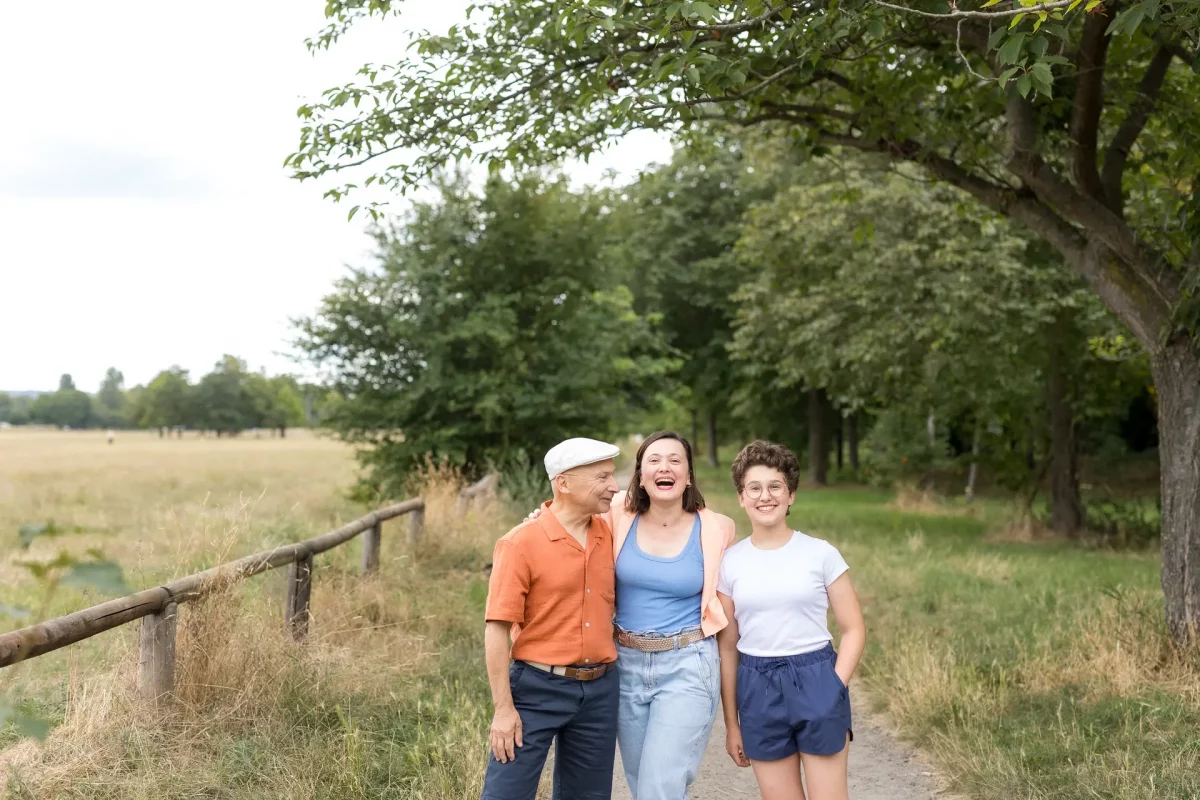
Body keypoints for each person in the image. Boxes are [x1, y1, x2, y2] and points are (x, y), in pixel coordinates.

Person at [528, 430, 737, 799]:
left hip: (688, 663)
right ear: (640, 475)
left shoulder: (717, 528)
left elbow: (728, 610)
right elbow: (564, 517)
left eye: (675, 460)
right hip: (624, 666)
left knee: (661, 787)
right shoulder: (614, 517)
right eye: (653, 460)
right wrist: (537, 519)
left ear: (688, 475)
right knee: (644, 783)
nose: (664, 467)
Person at [716, 440, 866, 800]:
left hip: (815, 676)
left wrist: (834, 687)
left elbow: (854, 628)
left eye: (775, 487)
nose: (764, 496)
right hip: (757, 684)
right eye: (754, 488)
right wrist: (732, 723)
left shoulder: (820, 554)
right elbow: (728, 646)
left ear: (791, 495)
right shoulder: (730, 562)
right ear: (741, 497)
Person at [481, 437, 622, 800]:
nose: (614, 486)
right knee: (505, 795)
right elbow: (496, 629)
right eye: (602, 477)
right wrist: (503, 710)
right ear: (563, 482)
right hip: (536, 689)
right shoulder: (519, 543)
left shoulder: (608, 532)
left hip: (600, 691)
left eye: (613, 476)